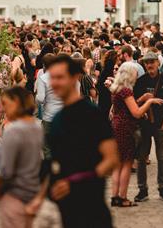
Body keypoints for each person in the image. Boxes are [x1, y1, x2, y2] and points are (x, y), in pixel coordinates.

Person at [46, 54, 119, 228]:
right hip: (67, 212)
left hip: (92, 211)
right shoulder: (57, 119)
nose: (54, 82)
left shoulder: (91, 114)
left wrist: (75, 182)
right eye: (52, 78)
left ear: (74, 78)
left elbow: (111, 160)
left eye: (60, 77)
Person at [109, 63, 163, 207]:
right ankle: (123, 197)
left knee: (117, 165)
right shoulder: (127, 90)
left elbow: (126, 106)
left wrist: (140, 100)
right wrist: (150, 101)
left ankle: (115, 197)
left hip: (116, 126)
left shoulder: (116, 89)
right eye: (135, 73)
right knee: (126, 163)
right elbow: (136, 113)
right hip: (125, 128)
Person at [0, 87, 44, 228]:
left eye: (6, 104)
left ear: (16, 102)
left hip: (14, 195)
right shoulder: (37, 127)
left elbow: (5, 170)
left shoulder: (13, 130)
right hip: (32, 193)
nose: (4, 109)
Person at [133, 51, 163, 203]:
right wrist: (143, 99)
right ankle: (142, 190)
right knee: (141, 158)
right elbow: (134, 103)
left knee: (162, 157)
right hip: (144, 125)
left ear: (158, 63)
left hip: (161, 124)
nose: (149, 65)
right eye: (146, 62)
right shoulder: (140, 81)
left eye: (152, 61)